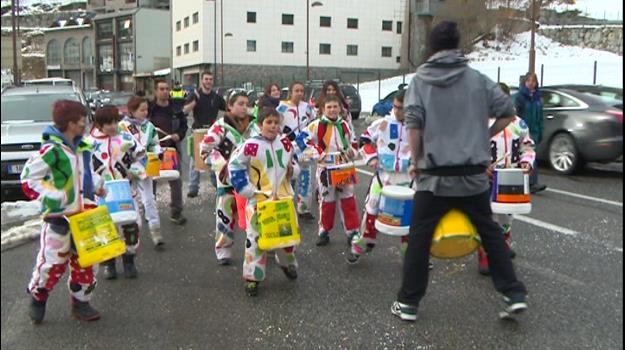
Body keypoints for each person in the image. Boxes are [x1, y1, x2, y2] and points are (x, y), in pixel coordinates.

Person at [393, 21, 527, 322]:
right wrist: (485, 135)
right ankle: (512, 292)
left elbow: (413, 126)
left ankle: (409, 303)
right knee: (490, 232)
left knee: (419, 237)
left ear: (432, 46)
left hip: (434, 177)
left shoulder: (420, 82)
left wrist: (417, 160)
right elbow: (507, 111)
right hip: (473, 176)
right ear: (457, 45)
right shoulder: (476, 79)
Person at [21, 100, 103, 323]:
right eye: (81, 119)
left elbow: (87, 173)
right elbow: (29, 178)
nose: (85, 123)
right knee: (52, 263)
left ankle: (81, 303)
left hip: (86, 216)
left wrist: (98, 185)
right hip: (58, 218)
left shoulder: (84, 148)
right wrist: (54, 195)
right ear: (70, 123)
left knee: (87, 261)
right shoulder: (52, 151)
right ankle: (38, 297)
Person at [228, 108, 299, 296]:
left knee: (286, 238)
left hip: (282, 200)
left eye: (276, 123)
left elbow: (295, 162)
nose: (273, 126)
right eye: (269, 122)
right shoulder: (251, 145)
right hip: (259, 201)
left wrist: (294, 170)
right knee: (255, 240)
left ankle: (286, 264)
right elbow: (234, 165)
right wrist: (246, 189)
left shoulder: (285, 144)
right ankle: (252, 277)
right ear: (260, 125)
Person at [476, 83, 536, 275]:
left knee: (507, 215)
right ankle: (484, 254)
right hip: (488, 178)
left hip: (512, 177)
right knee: (488, 217)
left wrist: (526, 162)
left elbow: (527, 147)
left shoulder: (518, 124)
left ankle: (504, 242)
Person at [346, 91, 412, 264]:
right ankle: (364, 241)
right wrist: (371, 157)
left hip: (409, 178)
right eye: (396, 107)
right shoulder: (382, 123)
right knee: (372, 207)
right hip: (383, 175)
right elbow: (364, 140)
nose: (398, 111)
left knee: (412, 215)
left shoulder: (419, 127)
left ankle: (412, 252)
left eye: (403, 108)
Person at [199, 91, 260, 266]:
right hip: (226, 181)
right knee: (225, 215)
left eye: (246, 104)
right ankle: (223, 250)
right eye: (240, 103)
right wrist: (223, 165)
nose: (244, 107)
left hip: (251, 181)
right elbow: (205, 150)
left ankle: (259, 245)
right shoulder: (220, 126)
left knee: (255, 214)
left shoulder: (255, 126)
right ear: (230, 106)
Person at [88, 106, 146, 280]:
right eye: (108, 123)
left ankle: (129, 259)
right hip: (103, 194)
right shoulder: (88, 144)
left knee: (132, 225)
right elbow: (83, 170)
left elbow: (141, 158)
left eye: (115, 122)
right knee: (106, 229)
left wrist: (134, 171)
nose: (113, 126)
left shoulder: (127, 138)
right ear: (99, 124)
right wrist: (94, 184)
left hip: (126, 192)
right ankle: (110, 263)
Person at [298, 95, 360, 247]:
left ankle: (352, 231)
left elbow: (353, 142)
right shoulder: (316, 125)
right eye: (329, 107)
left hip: (344, 167)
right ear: (323, 109)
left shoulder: (345, 124)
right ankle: (324, 230)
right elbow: (301, 140)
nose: (332, 110)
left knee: (348, 199)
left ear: (340, 108)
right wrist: (318, 152)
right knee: (327, 201)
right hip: (326, 168)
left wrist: (352, 151)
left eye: (335, 107)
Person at [120, 96, 165, 248]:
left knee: (149, 199)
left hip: (146, 167)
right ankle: (131, 238)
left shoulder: (149, 126)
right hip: (127, 170)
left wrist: (158, 154)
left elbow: (154, 144)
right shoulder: (122, 126)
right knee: (130, 202)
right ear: (132, 111)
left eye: (146, 109)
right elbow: (118, 149)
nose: (145, 113)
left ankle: (156, 232)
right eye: (142, 110)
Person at [149, 79, 188, 225]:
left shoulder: (176, 109)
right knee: (151, 182)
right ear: (155, 91)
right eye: (161, 89)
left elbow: (184, 126)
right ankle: (150, 212)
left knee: (176, 181)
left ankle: (176, 212)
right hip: (153, 151)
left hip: (172, 149)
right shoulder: (150, 109)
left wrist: (179, 135)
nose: (165, 92)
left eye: (167, 89)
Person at [183, 71, 226, 198]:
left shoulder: (216, 97)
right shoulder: (195, 94)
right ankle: (193, 188)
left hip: (212, 132)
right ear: (202, 80)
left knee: (214, 159)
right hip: (198, 131)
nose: (208, 81)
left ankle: (216, 184)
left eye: (210, 79)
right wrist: (194, 101)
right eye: (206, 79)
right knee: (195, 160)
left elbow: (227, 109)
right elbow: (185, 111)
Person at [277, 82, 316, 219]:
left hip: (304, 148)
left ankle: (304, 209)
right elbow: (276, 125)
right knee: (289, 178)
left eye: (301, 91)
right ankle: (287, 207)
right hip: (289, 148)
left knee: (306, 179)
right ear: (291, 92)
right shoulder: (282, 107)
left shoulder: (308, 107)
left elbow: (313, 123)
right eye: (296, 90)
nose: (299, 93)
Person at [515, 72, 547, 194]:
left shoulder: (538, 98)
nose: (531, 83)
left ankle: (528, 182)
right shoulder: (520, 97)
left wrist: (541, 129)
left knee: (530, 156)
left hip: (534, 131)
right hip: (523, 130)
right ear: (525, 82)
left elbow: (540, 117)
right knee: (527, 156)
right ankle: (531, 182)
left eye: (533, 81)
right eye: (529, 81)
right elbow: (517, 114)